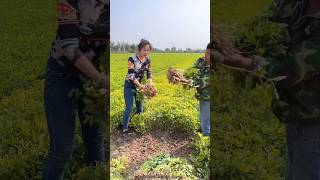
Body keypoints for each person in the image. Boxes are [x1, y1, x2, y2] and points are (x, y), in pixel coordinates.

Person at [213, 0, 320, 179]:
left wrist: (243, 62)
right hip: (296, 112)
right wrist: (221, 39)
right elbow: (266, 23)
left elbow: (292, 69)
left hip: (315, 121)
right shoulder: (294, 3)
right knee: (296, 168)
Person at [42, 0, 109, 179]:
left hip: (94, 80)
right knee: (62, 148)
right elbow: (69, 47)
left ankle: (96, 175)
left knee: (96, 142)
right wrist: (101, 79)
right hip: (62, 76)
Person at [175, 42, 212, 136]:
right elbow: (191, 71)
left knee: (206, 115)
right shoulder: (200, 61)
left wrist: (184, 81)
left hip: (208, 96)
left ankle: (206, 136)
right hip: (201, 94)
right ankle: (202, 130)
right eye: (207, 53)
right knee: (202, 113)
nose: (208, 56)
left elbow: (201, 82)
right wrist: (179, 74)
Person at [123, 39, 153, 133]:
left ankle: (139, 125)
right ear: (139, 49)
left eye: (148, 50)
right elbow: (131, 76)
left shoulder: (148, 60)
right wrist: (141, 86)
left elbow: (149, 73)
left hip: (139, 85)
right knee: (130, 107)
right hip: (130, 85)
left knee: (140, 106)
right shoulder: (131, 59)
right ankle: (125, 129)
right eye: (144, 50)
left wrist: (149, 83)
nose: (146, 52)